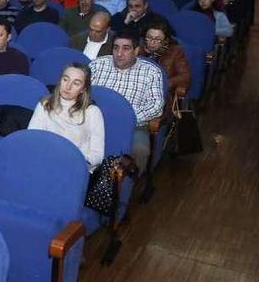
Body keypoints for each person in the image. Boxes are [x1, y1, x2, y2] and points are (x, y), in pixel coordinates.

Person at [89, 30, 165, 173]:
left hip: (133, 126)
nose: (119, 53)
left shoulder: (151, 71)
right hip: (94, 121)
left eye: (126, 48)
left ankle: (128, 186)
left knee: (140, 150)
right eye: (116, 47)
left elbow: (156, 106)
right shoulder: (98, 65)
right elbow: (82, 93)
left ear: (136, 51)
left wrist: (126, 118)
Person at [28, 63, 105, 171]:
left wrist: (74, 160)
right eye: (65, 79)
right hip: (43, 162)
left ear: (83, 89)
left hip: (74, 168)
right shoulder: (45, 104)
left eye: (76, 83)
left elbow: (97, 156)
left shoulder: (92, 112)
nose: (68, 86)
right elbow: (32, 140)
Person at [143, 21, 191, 108]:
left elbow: (185, 76)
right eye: (149, 38)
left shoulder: (176, 52)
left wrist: (165, 83)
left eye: (157, 39)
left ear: (166, 40)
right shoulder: (138, 50)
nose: (152, 42)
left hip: (161, 96)